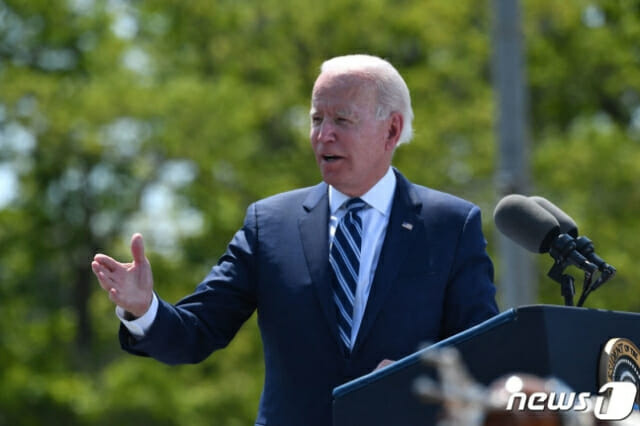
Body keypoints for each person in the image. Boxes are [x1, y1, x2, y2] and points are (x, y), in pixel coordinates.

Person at [91, 54, 499, 426]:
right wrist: (143, 308)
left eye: (342, 120)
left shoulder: (450, 225)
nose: (324, 136)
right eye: (316, 119)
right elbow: (197, 333)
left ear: (391, 130)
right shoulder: (269, 225)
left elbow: (486, 354)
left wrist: (417, 377)